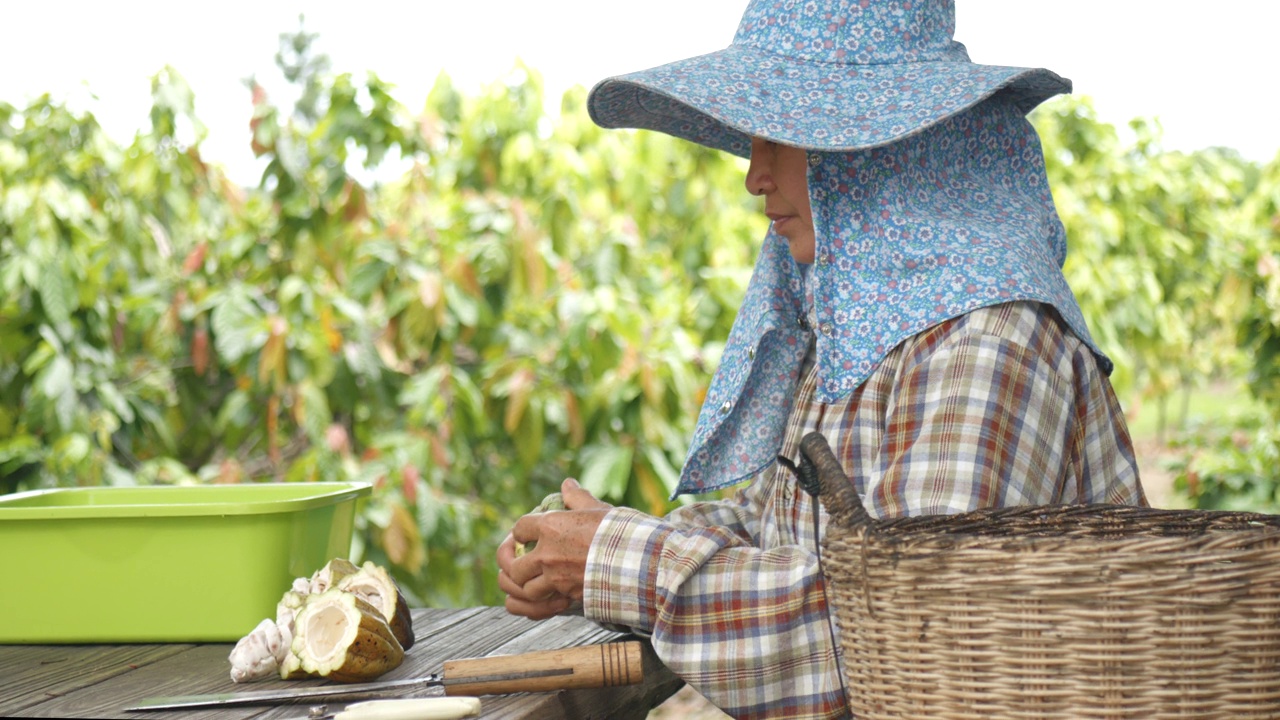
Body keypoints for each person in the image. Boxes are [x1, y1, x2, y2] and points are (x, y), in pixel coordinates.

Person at [496, 0, 1148, 717]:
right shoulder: (871, 327)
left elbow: (894, 633)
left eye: (782, 137)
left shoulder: (989, 346)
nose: (755, 174)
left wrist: (621, 559)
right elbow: (778, 527)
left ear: (878, 151)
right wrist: (597, 547)